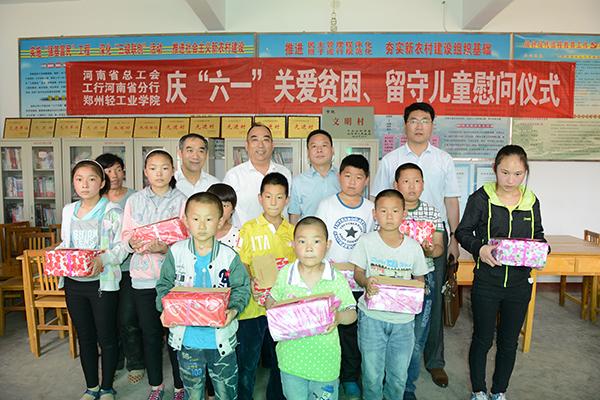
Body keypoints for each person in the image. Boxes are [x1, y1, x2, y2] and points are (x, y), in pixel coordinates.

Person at [371, 102, 460, 387]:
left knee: (431, 303)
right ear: (405, 125)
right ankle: (394, 362)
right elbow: (378, 201)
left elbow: (451, 200)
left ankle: (435, 362)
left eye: (425, 120)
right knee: (393, 299)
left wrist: (454, 239)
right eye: (413, 120)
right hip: (395, 241)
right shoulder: (391, 160)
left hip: (433, 240)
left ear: (432, 125)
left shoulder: (443, 159)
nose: (419, 125)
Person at [456, 145, 545, 400]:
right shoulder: (481, 198)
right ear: (495, 169)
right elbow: (463, 232)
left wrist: (542, 251)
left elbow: (538, 234)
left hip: (519, 284)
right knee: (483, 339)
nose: (511, 180)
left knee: (509, 342)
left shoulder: (531, 200)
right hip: (487, 281)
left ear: (525, 172)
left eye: (518, 174)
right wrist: (480, 248)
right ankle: (478, 390)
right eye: (505, 172)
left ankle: (499, 391)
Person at [156, 192, 250, 400]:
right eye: (196, 219)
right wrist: (165, 309)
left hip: (221, 341)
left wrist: (233, 310)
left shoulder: (229, 256)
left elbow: (242, 287)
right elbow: (164, 285)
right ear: (186, 220)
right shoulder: (176, 252)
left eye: (209, 219)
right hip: (187, 340)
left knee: (226, 392)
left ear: (220, 221)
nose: (202, 226)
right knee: (193, 392)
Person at [351, 189, 432, 400]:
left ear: (404, 213)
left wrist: (417, 291)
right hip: (371, 317)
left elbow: (420, 279)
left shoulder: (413, 247)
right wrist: (366, 282)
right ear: (374, 214)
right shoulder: (366, 241)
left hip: (403, 321)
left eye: (395, 211)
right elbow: (358, 273)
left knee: (398, 377)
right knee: (371, 375)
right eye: (383, 211)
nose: (389, 216)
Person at [266, 216, 357, 400]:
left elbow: (352, 313)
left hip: (325, 363)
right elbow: (271, 300)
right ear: (293, 245)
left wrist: (339, 317)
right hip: (291, 361)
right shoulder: (286, 274)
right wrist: (275, 310)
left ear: (327, 244)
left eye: (316, 241)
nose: (309, 248)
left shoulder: (336, 278)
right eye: (302, 241)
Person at [59, 159, 128, 400]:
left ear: (101, 183)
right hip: (73, 284)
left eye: (91, 179)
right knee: (85, 337)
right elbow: (66, 243)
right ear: (73, 183)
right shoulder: (68, 211)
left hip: (102, 283)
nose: (85, 185)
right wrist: (56, 255)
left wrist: (104, 259)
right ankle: (91, 387)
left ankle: (107, 387)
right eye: (79, 179)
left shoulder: (112, 211)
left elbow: (122, 246)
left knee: (107, 337)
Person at [120, 149, 187, 400]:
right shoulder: (134, 201)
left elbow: (189, 238)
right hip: (143, 278)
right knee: (150, 334)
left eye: (165, 168)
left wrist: (167, 248)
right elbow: (125, 235)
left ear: (173, 171)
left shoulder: (182, 200)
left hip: (173, 279)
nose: (159, 173)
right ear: (145, 172)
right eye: (153, 168)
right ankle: (156, 386)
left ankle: (180, 387)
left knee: (175, 335)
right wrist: (132, 243)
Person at [315, 154, 375, 400]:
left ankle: (350, 377)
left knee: (353, 332)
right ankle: (329, 374)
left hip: (360, 280)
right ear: (339, 177)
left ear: (366, 180)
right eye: (347, 176)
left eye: (358, 177)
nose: (352, 182)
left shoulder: (371, 208)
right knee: (331, 330)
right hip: (333, 280)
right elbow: (319, 241)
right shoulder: (326, 205)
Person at [236, 172, 296, 400]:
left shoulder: (293, 232)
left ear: (287, 200)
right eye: (268, 196)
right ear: (260, 198)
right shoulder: (248, 229)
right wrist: (251, 279)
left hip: (281, 307)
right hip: (253, 308)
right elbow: (242, 262)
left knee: (281, 360)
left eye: (279, 197)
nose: (273, 202)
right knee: (247, 361)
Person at [393, 163, 445, 400]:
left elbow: (439, 248)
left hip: (424, 279)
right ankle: (390, 383)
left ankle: (407, 388)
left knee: (416, 337)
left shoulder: (432, 213)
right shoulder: (389, 209)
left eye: (416, 181)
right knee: (393, 334)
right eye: (406, 181)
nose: (411, 186)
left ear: (423, 184)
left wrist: (430, 249)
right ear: (396, 184)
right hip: (394, 279)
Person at [96, 153, 145, 385]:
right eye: (107, 171)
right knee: (107, 320)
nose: (113, 175)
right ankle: (113, 362)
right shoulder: (97, 200)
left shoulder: (135, 197)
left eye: (117, 169)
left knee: (127, 318)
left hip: (129, 269)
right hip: (104, 271)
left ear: (124, 171)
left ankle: (136, 362)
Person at [223, 123, 292, 226]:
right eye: (255, 140)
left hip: (279, 234)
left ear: (272, 145)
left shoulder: (285, 173)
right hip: (244, 235)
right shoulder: (233, 176)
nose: (260, 145)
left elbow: (290, 209)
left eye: (266, 140)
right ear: (247, 146)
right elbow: (224, 212)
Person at [288, 129, 340, 224]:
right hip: (308, 232)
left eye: (324, 145)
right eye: (314, 146)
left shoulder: (343, 178)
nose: (319, 150)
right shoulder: (298, 181)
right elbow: (294, 215)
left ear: (332, 150)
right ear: (308, 153)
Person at [207, 183, 241, 249]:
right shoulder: (197, 232)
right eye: (216, 204)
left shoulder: (240, 235)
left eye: (225, 205)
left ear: (232, 210)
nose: (220, 209)